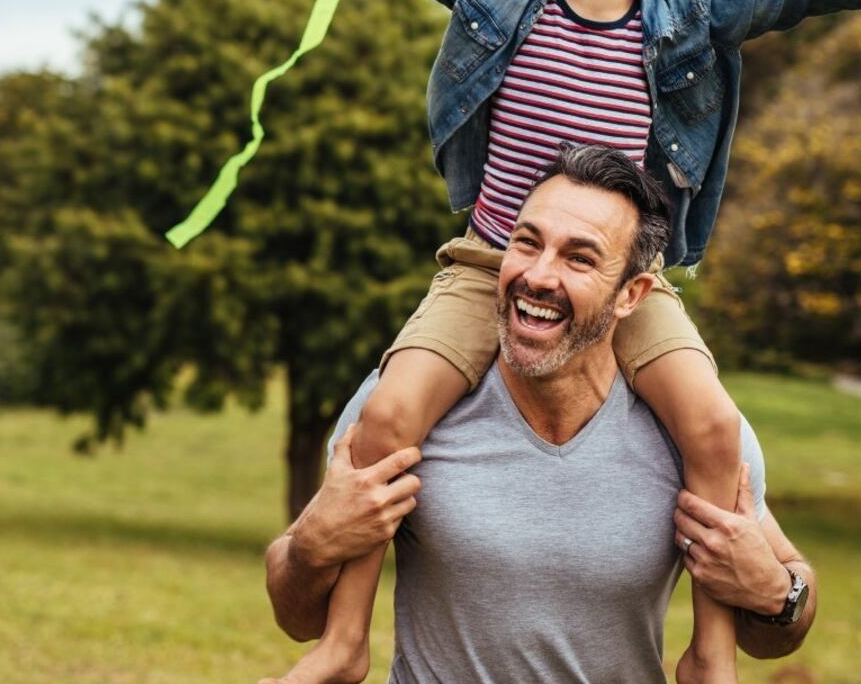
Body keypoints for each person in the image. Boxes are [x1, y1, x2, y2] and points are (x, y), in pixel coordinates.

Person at [180, 0, 861, 684]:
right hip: (491, 258)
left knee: (713, 427)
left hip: (629, 276)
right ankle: (344, 643)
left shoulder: (690, 13)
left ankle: (709, 656)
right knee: (386, 417)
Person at [264, 143, 818, 683]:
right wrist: (310, 547)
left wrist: (778, 592)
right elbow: (297, 618)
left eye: (580, 259)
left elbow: (777, 632)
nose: (538, 276)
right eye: (527, 244)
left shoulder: (691, 427)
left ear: (631, 294)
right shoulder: (406, 404)